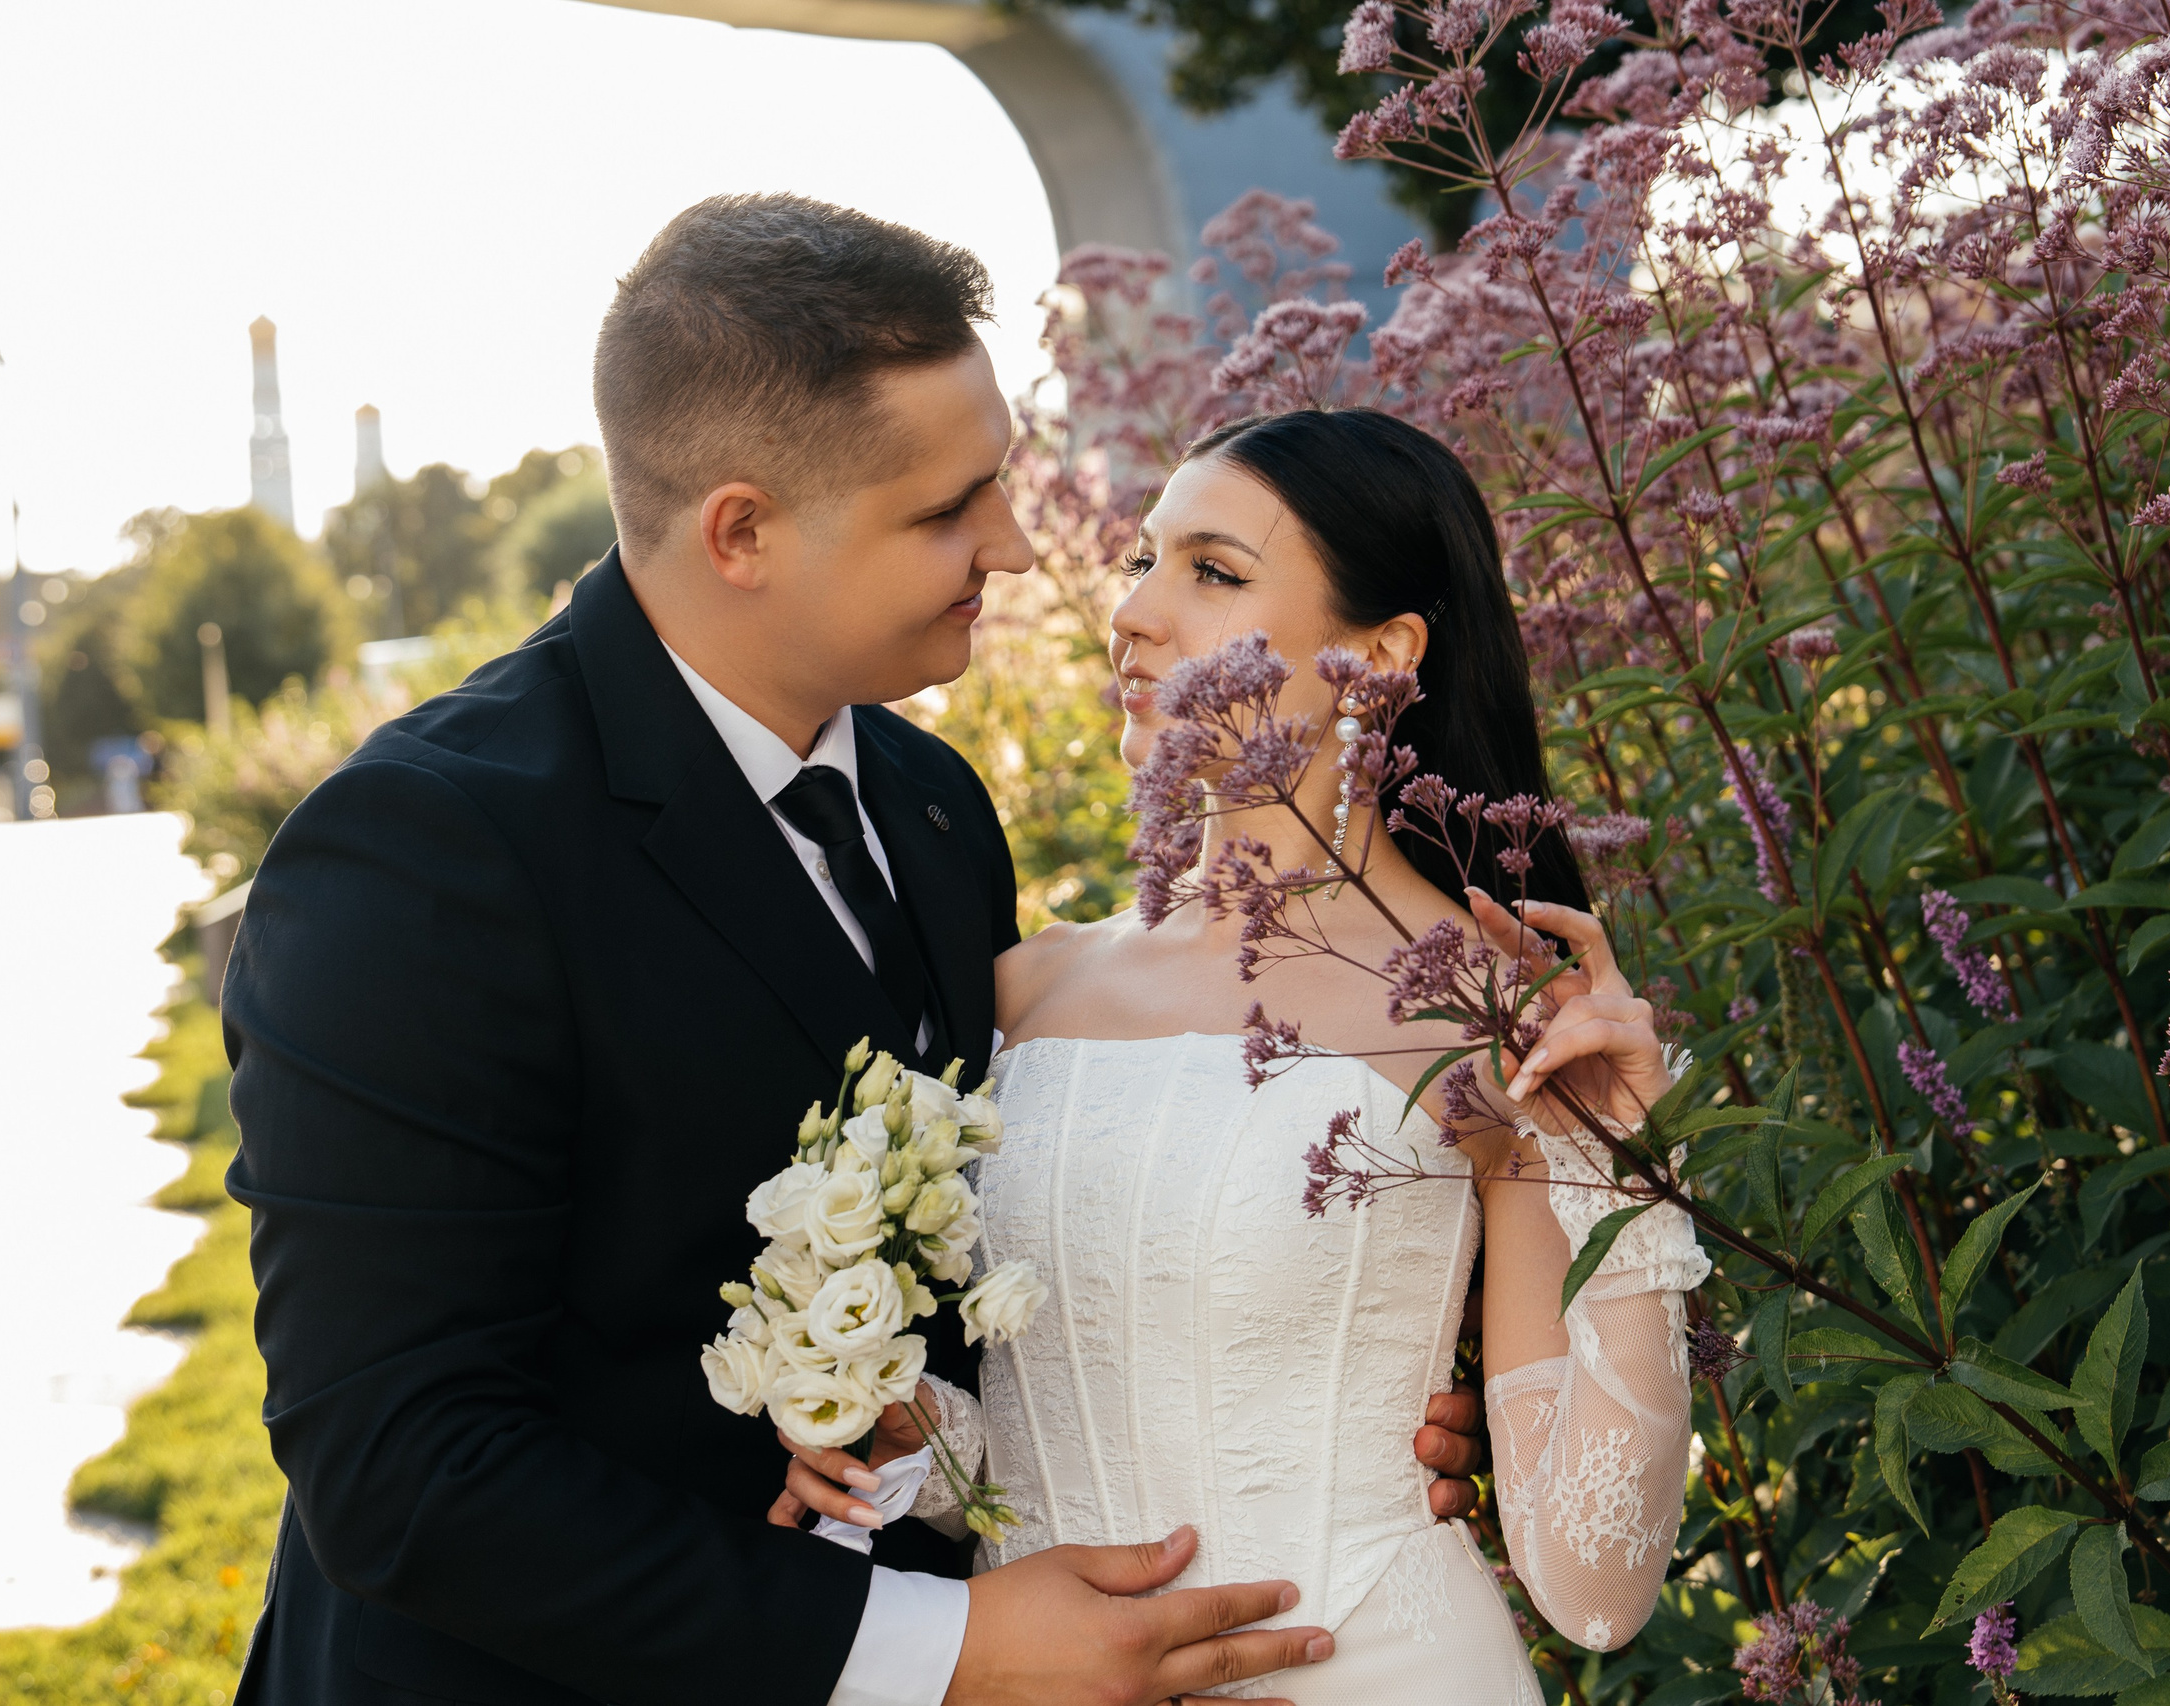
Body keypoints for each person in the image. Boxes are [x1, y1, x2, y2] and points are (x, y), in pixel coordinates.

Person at [221, 196, 1485, 1706]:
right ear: (742, 531)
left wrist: (1331, 1367)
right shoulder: (423, 856)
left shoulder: (934, 807)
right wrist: (942, 1650)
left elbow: (983, 1264)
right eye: (949, 510)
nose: (1019, 548)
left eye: (1002, 482)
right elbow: (404, 1470)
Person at [773, 409, 1709, 1701]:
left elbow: (1593, 1584)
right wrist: (891, 1426)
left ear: (1377, 656)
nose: (1136, 614)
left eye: (1211, 571)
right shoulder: (1024, 987)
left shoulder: (1494, 1017)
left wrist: (1630, 1175)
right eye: (1142, 560)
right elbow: (1044, 1435)